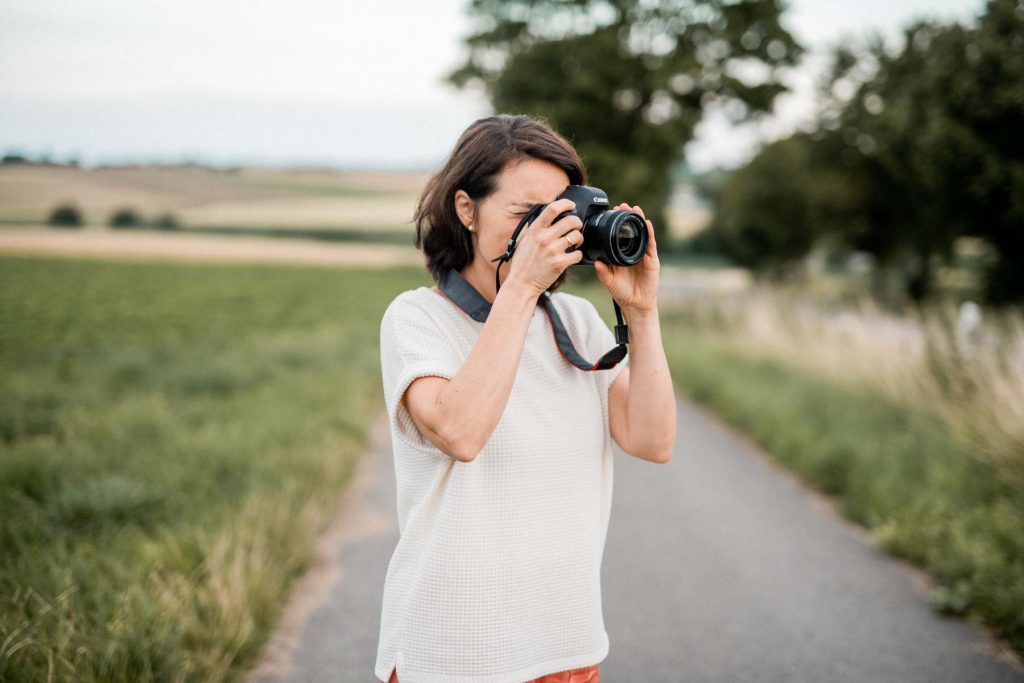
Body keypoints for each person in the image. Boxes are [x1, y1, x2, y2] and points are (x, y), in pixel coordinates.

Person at [374, 114, 676, 682]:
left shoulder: (579, 323)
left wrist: (641, 311)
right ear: (466, 209)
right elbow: (461, 433)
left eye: (557, 214)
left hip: (569, 650)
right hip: (452, 657)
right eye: (525, 215)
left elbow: (653, 440)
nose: (545, 234)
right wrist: (523, 286)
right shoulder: (417, 319)